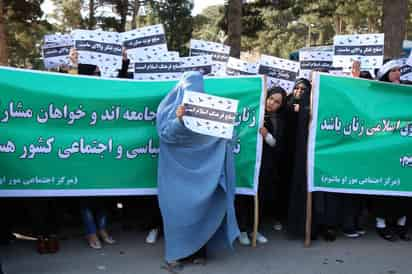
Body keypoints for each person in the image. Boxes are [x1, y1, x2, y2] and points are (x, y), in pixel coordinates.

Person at [156, 71, 239, 271]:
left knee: (204, 210)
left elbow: (230, 135)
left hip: (205, 172)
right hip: (175, 174)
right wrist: (180, 121)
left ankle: (199, 252)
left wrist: (228, 133)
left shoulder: (210, 108)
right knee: (176, 214)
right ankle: (175, 255)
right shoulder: (167, 108)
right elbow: (166, 135)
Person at [236, 86, 287, 245]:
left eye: (277, 102)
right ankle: (241, 230)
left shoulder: (278, 120)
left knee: (259, 198)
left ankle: (254, 228)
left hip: (265, 166)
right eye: (271, 98)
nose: (272, 103)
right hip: (246, 162)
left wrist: (267, 136)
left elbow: (277, 144)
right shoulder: (252, 112)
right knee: (243, 196)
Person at [370, 60, 410, 241]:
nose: (397, 73)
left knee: (405, 185)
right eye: (393, 70)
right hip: (383, 145)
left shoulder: (407, 89)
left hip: (404, 146)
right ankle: (382, 224)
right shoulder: (379, 92)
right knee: (384, 188)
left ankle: (401, 224)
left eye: (399, 70)